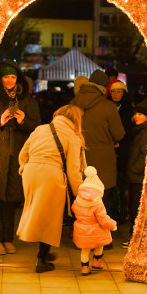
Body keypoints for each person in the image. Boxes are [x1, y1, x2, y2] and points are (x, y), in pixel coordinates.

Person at [17, 105, 85, 272]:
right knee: (50, 217)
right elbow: (73, 170)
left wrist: (24, 168)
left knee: (36, 212)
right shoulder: (72, 136)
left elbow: (23, 153)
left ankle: (44, 254)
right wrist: (80, 193)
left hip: (30, 172)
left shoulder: (40, 129)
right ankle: (41, 260)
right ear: (76, 120)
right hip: (51, 174)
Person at [71, 70, 125, 245]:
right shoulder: (108, 106)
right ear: (104, 88)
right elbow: (119, 134)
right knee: (102, 200)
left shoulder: (73, 104)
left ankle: (80, 238)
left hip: (79, 157)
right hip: (103, 159)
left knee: (81, 200)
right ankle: (101, 241)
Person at [0, 61, 40, 255]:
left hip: (18, 154)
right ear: (0, 79)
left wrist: (22, 121)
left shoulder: (26, 100)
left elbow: (36, 126)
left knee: (11, 199)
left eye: (12, 77)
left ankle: (8, 239)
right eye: (6, 77)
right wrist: (0, 122)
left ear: (17, 79)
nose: (9, 80)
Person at [71, 166, 117, 275]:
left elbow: (73, 209)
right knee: (100, 245)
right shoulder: (98, 205)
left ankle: (84, 267)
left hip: (82, 229)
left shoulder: (77, 202)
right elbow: (103, 219)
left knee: (85, 250)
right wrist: (112, 225)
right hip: (97, 230)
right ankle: (97, 261)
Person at [121, 99, 147, 248]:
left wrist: (133, 169)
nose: (136, 117)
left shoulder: (145, 133)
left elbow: (146, 156)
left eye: (140, 114)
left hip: (138, 177)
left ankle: (136, 238)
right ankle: (135, 237)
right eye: (136, 114)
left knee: (136, 207)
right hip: (135, 176)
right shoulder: (139, 131)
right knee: (134, 207)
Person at [106, 80, 134, 223]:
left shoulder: (130, 110)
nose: (116, 94)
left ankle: (122, 213)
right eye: (113, 91)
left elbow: (132, 130)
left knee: (122, 185)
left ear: (124, 93)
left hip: (123, 152)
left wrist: (121, 137)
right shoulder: (105, 107)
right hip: (108, 150)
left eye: (119, 91)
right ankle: (111, 212)